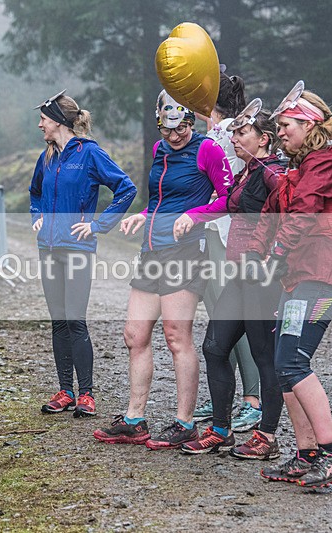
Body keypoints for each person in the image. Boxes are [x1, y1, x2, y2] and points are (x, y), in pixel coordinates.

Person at [93, 90, 231, 447]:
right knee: (134, 335)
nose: (174, 136)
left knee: (175, 337)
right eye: (167, 130)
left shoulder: (207, 150)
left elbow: (229, 198)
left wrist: (194, 215)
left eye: (182, 128)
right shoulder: (158, 151)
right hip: (151, 252)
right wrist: (142, 216)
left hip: (186, 253)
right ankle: (135, 419)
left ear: (191, 121)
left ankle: (184, 422)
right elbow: (158, 199)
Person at [249, 82, 332, 488]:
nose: (280, 132)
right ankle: (307, 453)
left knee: (294, 362)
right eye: (277, 126)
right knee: (283, 366)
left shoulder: (327, 161)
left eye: (287, 124)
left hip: (323, 277)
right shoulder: (300, 168)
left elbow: (303, 210)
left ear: (309, 123)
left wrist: (276, 251)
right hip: (299, 280)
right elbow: (273, 209)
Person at [180, 103, 288, 459]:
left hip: (261, 278)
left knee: (263, 356)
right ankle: (221, 431)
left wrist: (274, 259)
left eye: (242, 132)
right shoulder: (248, 172)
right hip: (238, 277)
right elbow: (227, 204)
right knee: (214, 347)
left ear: (264, 139)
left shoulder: (275, 174)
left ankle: (267, 437)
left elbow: (293, 217)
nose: (234, 136)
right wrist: (193, 215)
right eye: (234, 131)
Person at [29, 90, 136, 418]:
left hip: (77, 249)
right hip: (48, 249)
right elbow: (35, 193)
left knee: (75, 319)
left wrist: (98, 225)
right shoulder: (46, 157)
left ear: (59, 121)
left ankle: (86, 395)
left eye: (44, 120)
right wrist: (37, 217)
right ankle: (65, 390)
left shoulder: (89, 154)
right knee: (58, 321)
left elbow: (125, 188)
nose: (40, 126)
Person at [193, 71, 264, 432]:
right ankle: (227, 395)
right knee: (221, 321)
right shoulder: (218, 132)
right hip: (212, 233)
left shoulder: (222, 134)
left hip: (223, 233)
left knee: (231, 318)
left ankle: (252, 399)